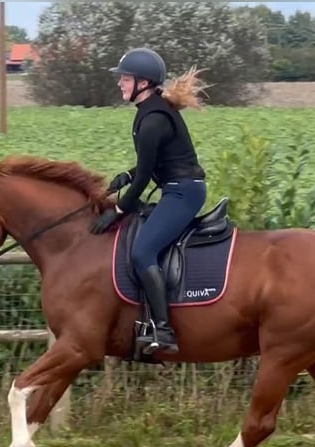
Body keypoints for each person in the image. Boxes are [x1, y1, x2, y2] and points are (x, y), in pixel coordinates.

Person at [90, 47, 210, 355]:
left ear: (143, 83)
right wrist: (127, 176)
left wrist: (118, 209)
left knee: (143, 252)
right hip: (177, 186)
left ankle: (164, 329)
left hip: (183, 192)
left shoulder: (152, 119)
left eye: (125, 79)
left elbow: (146, 177)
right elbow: (152, 163)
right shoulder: (151, 111)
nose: (120, 84)